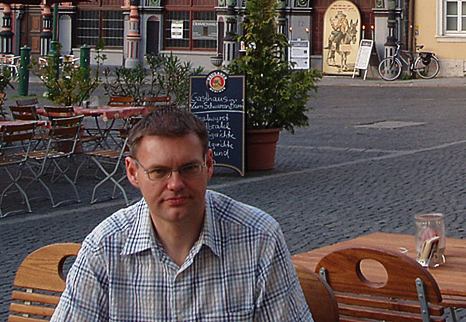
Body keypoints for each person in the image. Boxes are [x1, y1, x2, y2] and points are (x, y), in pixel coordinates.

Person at [51, 106, 312, 322]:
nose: (175, 184)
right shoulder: (105, 247)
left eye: (189, 168)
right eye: (159, 171)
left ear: (209, 164)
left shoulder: (258, 239)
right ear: (133, 173)